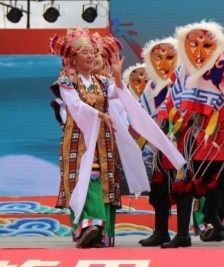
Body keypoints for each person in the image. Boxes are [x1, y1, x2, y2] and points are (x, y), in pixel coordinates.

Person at [50, 27, 185, 248]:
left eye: (92, 52)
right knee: (86, 177)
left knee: (104, 180)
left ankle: (100, 234)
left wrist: (116, 74)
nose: (90, 56)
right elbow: (75, 106)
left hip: (104, 140)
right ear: (73, 57)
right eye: (85, 52)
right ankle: (87, 225)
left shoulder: (101, 82)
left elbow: (119, 94)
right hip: (79, 140)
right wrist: (99, 114)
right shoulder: (67, 81)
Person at [162, 20, 224, 249]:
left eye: (207, 45)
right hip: (198, 134)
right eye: (193, 44)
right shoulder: (184, 70)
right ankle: (182, 234)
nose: (199, 51)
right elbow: (175, 103)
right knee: (185, 182)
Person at [136, 37, 181, 247]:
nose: (163, 63)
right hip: (160, 148)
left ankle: (186, 233)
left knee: (185, 189)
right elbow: (141, 114)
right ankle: (161, 231)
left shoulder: (186, 82)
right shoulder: (151, 86)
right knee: (159, 189)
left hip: (184, 144)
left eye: (170, 57)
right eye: (157, 58)